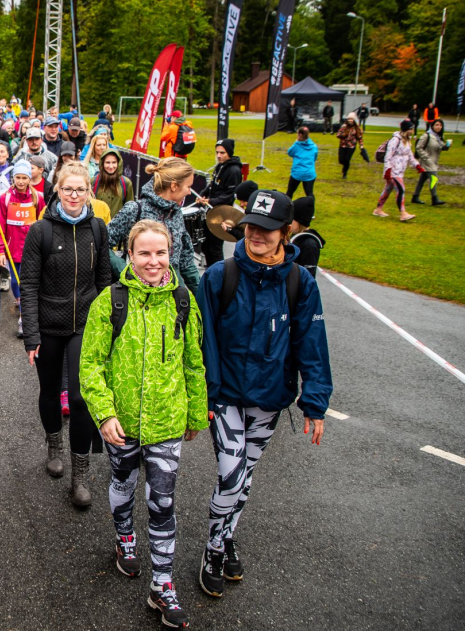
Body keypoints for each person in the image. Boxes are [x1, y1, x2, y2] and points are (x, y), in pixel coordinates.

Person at [195, 189, 332, 600]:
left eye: (267, 229)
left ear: (286, 232)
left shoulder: (299, 282)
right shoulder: (219, 276)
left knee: (245, 477)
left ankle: (227, 535)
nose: (256, 234)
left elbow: (312, 343)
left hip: (269, 398)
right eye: (251, 226)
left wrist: (315, 402)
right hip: (224, 396)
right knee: (231, 475)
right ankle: (213, 549)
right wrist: (204, 395)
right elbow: (201, 342)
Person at [80, 219, 207, 630]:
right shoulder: (110, 301)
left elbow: (194, 362)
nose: (154, 261)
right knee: (123, 481)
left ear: (171, 254)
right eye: (144, 253)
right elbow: (91, 364)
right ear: (129, 255)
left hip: (167, 420)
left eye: (161, 253)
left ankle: (162, 585)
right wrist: (105, 414)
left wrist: (195, 413)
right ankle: (124, 539)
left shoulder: (184, 301)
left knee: (162, 501)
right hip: (122, 423)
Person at [20, 161, 113, 507]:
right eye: (67, 189)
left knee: (79, 398)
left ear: (89, 192)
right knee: (49, 391)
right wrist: (32, 335)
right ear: (57, 190)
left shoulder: (98, 229)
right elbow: (29, 285)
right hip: (48, 324)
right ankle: (54, 445)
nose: (74, 195)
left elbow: (105, 282)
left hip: (85, 325)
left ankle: (80, 475)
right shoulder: (40, 231)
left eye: (80, 189)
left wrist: (108, 329)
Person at [108, 158, 200, 293]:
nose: (189, 192)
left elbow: (185, 259)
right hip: (138, 292)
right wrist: (124, 270)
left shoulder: (176, 213)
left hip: (171, 293)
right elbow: (103, 243)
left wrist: (202, 295)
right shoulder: (134, 210)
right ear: (174, 186)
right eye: (188, 186)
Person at [0, 159, 45, 336]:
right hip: (13, 248)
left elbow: (43, 221)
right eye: (18, 177)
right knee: (15, 282)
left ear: (30, 178)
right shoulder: (5, 198)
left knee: (27, 284)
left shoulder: (38, 197)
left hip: (32, 249)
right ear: (13, 178)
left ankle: (24, 317)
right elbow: (0, 225)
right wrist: (0, 250)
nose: (21, 181)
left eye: (24, 178)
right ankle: (21, 300)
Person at [197, 139, 243, 267]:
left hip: (222, 213)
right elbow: (212, 185)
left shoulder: (234, 171)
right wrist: (203, 194)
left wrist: (210, 201)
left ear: (229, 153)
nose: (218, 155)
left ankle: (219, 271)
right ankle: (210, 268)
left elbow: (229, 195)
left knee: (215, 247)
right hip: (212, 210)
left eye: (222, 153)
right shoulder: (220, 166)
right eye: (217, 152)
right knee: (206, 245)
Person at [373, 121, 421, 222]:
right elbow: (388, 156)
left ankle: (378, 209)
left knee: (388, 189)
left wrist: (417, 165)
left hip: (400, 170)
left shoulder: (407, 140)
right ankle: (403, 213)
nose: (412, 131)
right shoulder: (395, 140)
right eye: (411, 129)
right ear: (406, 129)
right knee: (401, 189)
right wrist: (388, 169)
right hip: (393, 170)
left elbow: (410, 155)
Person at [413, 118, 449, 206]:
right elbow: (418, 147)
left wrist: (445, 147)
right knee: (434, 178)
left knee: (422, 180)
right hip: (427, 162)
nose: (439, 127)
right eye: (437, 125)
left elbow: (438, 147)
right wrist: (425, 157)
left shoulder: (438, 137)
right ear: (432, 126)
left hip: (434, 161)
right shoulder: (426, 136)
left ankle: (415, 196)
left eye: (440, 125)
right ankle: (434, 198)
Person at [92, 148, 134, 219]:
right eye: (107, 162)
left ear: (118, 163)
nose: (111, 166)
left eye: (114, 162)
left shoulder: (126, 183)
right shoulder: (93, 182)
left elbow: (130, 209)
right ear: (102, 163)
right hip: (98, 224)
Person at [289, 197, 324, 276]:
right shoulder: (295, 236)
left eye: (292, 218)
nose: (289, 221)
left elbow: (308, 275)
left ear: (300, 220)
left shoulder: (309, 245)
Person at [285, 127, 318, 198]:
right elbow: (314, 158)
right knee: (309, 194)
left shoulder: (297, 145)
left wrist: (296, 141)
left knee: (289, 192)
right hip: (310, 173)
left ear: (300, 135)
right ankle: (311, 204)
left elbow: (290, 152)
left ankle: (287, 205)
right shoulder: (314, 146)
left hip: (297, 172)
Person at [335, 113, 364, 179]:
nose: (350, 120)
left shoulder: (357, 128)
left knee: (347, 159)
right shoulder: (344, 126)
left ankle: (345, 173)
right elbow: (337, 135)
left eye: (351, 119)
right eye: (349, 119)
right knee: (341, 160)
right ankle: (345, 165)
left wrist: (361, 145)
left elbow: (360, 137)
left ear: (354, 120)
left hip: (351, 146)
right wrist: (343, 135)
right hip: (343, 145)